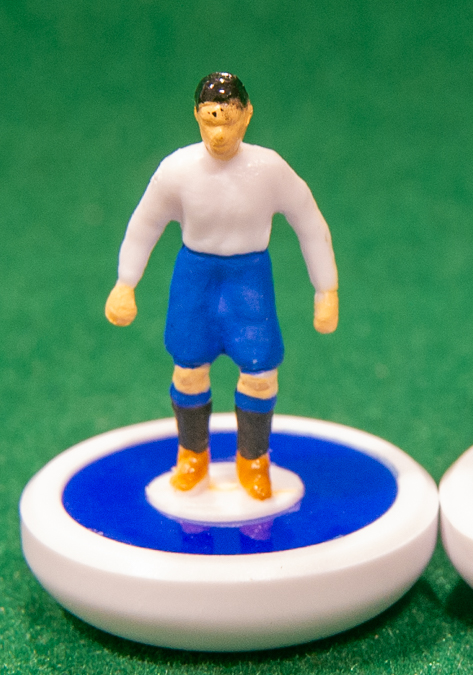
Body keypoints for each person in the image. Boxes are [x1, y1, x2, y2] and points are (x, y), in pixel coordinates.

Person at [105, 72, 339, 500]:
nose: (218, 133)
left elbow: (308, 221)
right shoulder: (177, 170)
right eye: (210, 120)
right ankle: (192, 454)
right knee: (188, 369)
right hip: (195, 279)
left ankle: (254, 460)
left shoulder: (269, 169)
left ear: (247, 115)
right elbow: (145, 223)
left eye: (228, 120)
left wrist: (326, 289)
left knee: (261, 375)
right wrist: (125, 282)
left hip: (250, 281)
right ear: (196, 116)